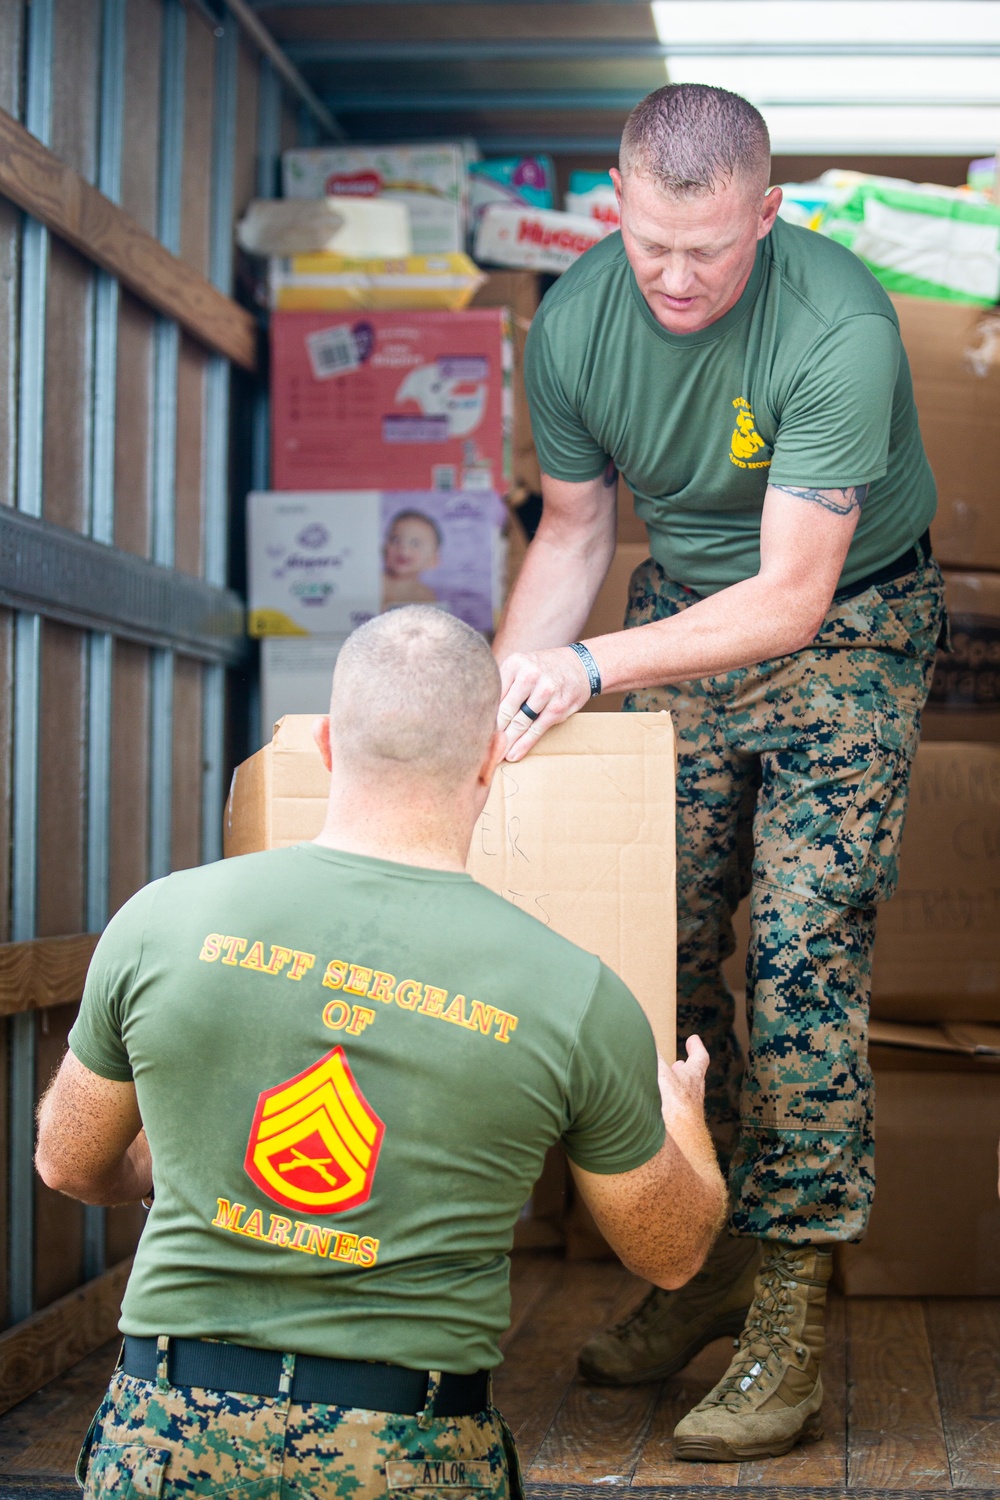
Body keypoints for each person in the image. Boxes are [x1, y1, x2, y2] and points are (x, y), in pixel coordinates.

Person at [493, 84, 944, 1461]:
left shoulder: (839, 329)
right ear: (614, 211)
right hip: (675, 612)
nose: (677, 281)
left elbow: (789, 601)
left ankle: (791, 1322)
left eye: (711, 250)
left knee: (802, 957)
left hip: (847, 622)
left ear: (768, 214)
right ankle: (712, 1255)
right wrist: (500, 711)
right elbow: (573, 535)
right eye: (650, 247)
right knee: (652, 951)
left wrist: (593, 669)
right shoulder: (571, 325)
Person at [35, 605, 726, 1499]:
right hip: (408, 1456)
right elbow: (669, 1254)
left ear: (324, 744)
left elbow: (67, 1162)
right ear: (489, 758)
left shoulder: (160, 919)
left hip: (164, 1438)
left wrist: (173, 1159)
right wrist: (686, 1122)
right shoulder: (575, 994)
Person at [382, 509, 442, 607]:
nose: (403, 548)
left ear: (433, 560)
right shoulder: (377, 584)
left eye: (415, 543)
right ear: (384, 549)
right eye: (396, 539)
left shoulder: (425, 595)